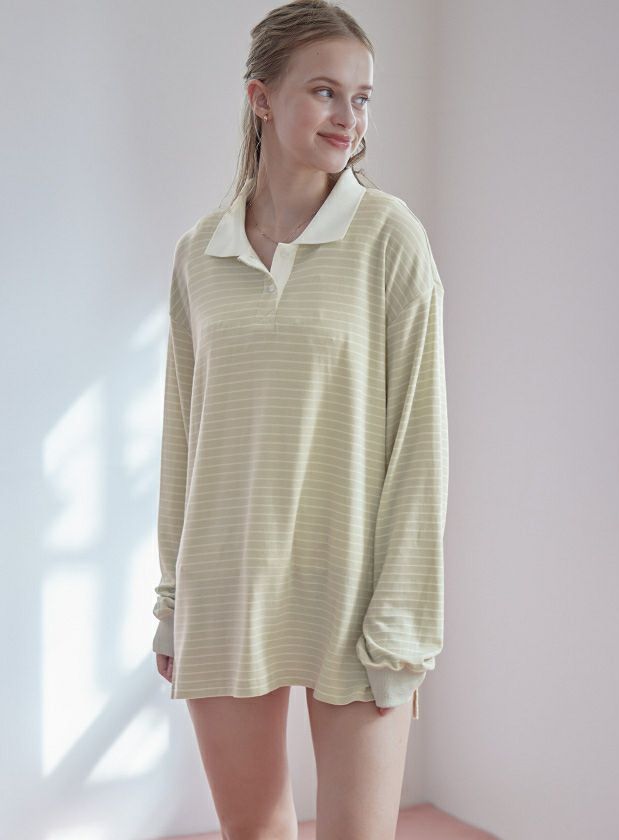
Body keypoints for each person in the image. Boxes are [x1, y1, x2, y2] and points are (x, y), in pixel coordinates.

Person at [151, 1, 449, 838]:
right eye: (325, 91)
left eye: (363, 97)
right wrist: (172, 602)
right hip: (226, 585)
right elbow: (182, 435)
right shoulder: (199, 254)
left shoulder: (390, 239)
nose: (349, 117)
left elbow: (420, 446)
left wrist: (402, 624)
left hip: (354, 596)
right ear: (261, 98)